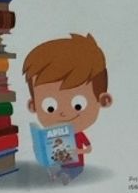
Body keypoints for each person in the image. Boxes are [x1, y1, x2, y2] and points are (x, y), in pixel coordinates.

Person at [22, 32, 113, 182]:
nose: (63, 113)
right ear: (34, 106)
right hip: (64, 164)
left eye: (78, 105)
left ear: (103, 100)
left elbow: (89, 149)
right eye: (50, 107)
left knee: (68, 174)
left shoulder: (78, 134)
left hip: (77, 166)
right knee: (57, 171)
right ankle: (60, 175)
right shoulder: (56, 135)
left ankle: (66, 177)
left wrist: (77, 151)